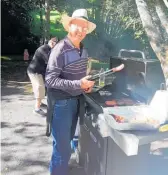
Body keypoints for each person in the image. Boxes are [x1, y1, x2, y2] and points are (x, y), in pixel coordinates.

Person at [45, 9, 96, 175]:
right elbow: (50, 80)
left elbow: (80, 79)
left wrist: (86, 85)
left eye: (84, 27)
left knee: (67, 142)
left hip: (75, 101)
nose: (81, 31)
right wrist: (78, 84)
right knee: (62, 148)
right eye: (78, 25)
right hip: (61, 104)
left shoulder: (83, 50)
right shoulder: (59, 49)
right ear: (69, 26)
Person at [27, 37, 58, 115]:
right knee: (40, 88)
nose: (55, 46)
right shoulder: (44, 49)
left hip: (38, 71)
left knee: (42, 87)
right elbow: (50, 62)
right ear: (51, 42)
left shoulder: (48, 49)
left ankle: (39, 103)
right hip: (35, 71)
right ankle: (37, 109)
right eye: (54, 44)